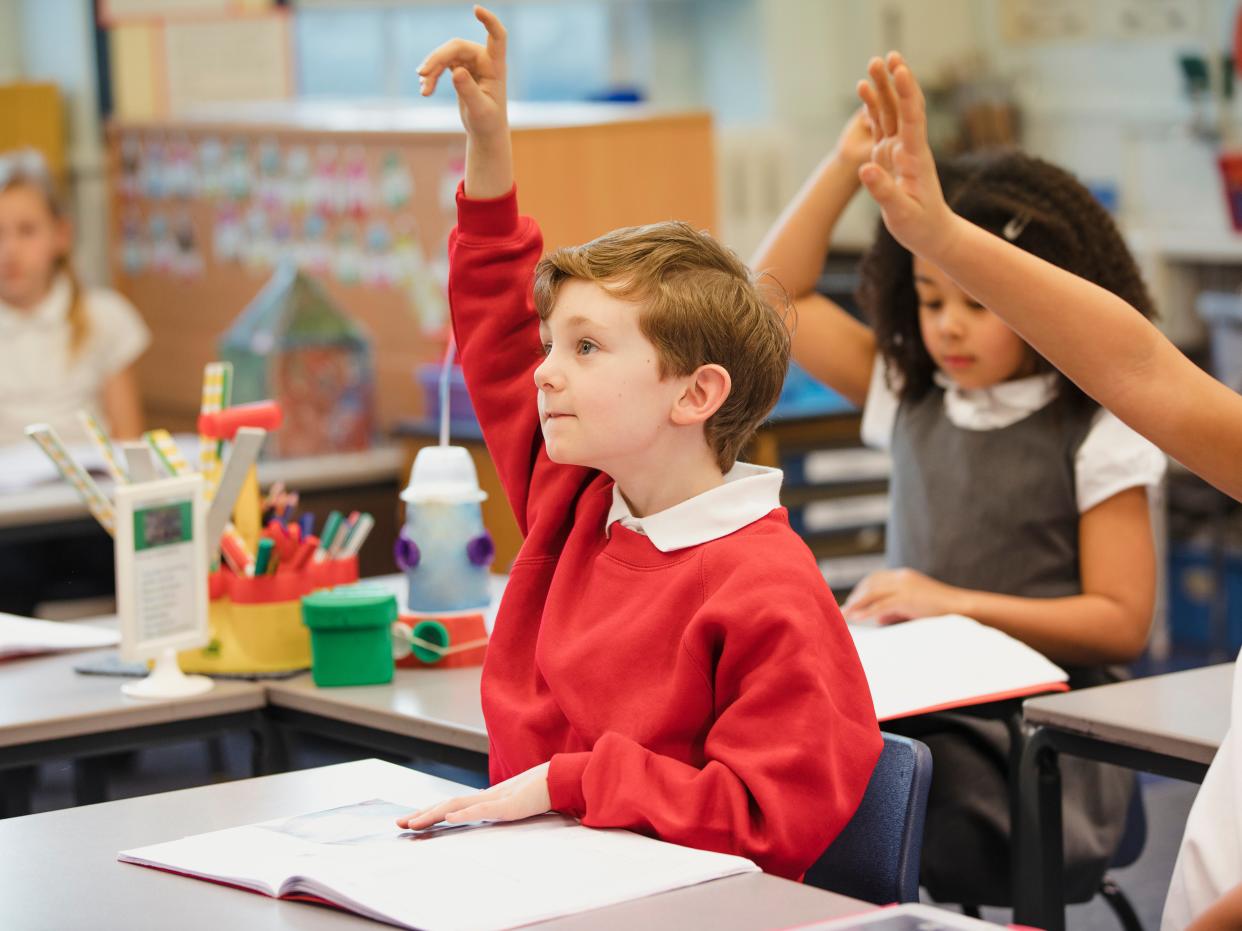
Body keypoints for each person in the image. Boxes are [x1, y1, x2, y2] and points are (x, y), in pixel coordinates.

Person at [393, 7, 881, 880]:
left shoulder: (768, 587)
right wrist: (489, 145)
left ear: (696, 394)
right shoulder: (573, 493)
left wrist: (569, 782)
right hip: (539, 877)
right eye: (553, 344)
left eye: (584, 349)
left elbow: (769, 822)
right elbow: (497, 329)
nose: (544, 371)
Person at [753, 56, 1165, 904]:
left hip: (1039, 733)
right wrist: (846, 166)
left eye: (979, 302)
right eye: (933, 300)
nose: (949, 328)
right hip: (923, 706)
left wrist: (953, 600)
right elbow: (767, 295)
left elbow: (1121, 623)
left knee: (877, 793)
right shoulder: (911, 392)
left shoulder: (1093, 420)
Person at [0, 149, 148, 447]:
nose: (10, 250)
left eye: (27, 231)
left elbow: (130, 441)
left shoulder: (105, 317)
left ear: (61, 234)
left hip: (91, 489)